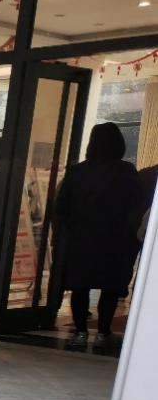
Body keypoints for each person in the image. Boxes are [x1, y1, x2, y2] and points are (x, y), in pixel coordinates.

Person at [52, 121, 144, 346]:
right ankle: (103, 332)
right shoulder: (126, 171)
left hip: (81, 238)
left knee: (80, 286)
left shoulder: (77, 172)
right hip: (115, 239)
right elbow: (139, 204)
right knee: (110, 287)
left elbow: (61, 207)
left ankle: (80, 332)